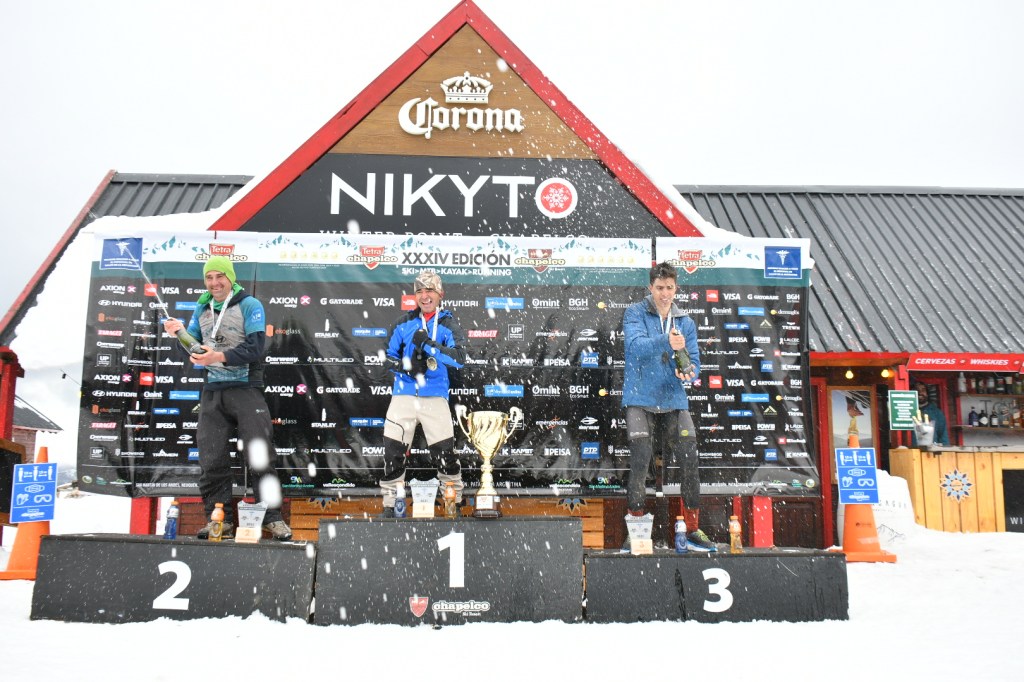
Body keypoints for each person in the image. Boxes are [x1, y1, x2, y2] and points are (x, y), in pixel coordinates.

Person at [162, 256, 292, 541]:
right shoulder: (202, 307)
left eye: (220, 276)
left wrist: (218, 356)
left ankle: (272, 517)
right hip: (213, 391)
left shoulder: (249, 305)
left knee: (260, 456)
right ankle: (219, 519)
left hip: (246, 389)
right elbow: (194, 348)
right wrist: (179, 333)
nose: (214, 283)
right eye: (209, 277)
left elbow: (255, 348)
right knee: (211, 459)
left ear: (230, 278)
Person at [621, 261, 715, 552]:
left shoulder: (685, 321)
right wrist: (667, 341)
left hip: (674, 399)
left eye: (670, 288)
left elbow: (694, 361)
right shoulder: (635, 313)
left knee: (689, 462)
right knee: (640, 463)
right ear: (650, 287)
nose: (665, 293)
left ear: (676, 288)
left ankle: (692, 530)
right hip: (640, 399)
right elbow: (635, 347)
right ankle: (636, 532)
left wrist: (690, 373)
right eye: (660, 288)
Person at [379, 270, 467, 516]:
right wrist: (405, 368)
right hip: (404, 395)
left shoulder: (448, 324)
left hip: (434, 396)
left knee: (445, 454)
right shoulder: (403, 323)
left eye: (430, 290)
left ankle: (453, 503)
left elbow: (460, 359)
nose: (424, 296)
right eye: (419, 291)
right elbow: (386, 356)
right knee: (393, 452)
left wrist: (429, 345)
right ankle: (391, 505)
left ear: (440, 294)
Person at [913, 382, 949, 446]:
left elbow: (943, 438)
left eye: (923, 390)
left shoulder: (937, 413)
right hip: (910, 451)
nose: (920, 392)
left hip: (931, 451)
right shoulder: (908, 411)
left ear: (927, 394)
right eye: (917, 390)